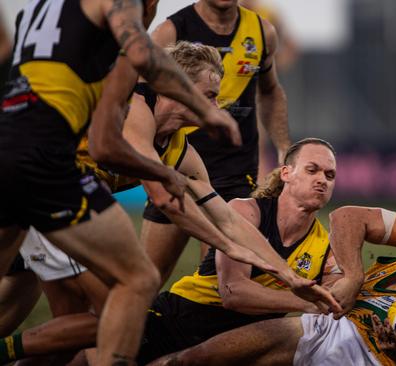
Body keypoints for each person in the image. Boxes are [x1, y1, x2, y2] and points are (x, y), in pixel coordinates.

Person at [0, 0, 245, 364]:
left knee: (47, 308)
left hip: (8, 144)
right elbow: (143, 51)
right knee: (136, 281)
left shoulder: (42, 10)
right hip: (46, 160)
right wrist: (206, 111)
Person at [2, 138, 341, 365]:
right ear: (286, 173)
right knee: (81, 350)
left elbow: (341, 292)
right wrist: (311, 302)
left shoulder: (326, 244)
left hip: (236, 344)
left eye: (330, 174)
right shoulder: (247, 211)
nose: (322, 180)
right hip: (177, 320)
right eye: (312, 170)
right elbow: (233, 293)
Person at [148, 202, 396, 366]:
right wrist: (353, 276)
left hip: (371, 361)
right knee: (198, 359)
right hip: (328, 324)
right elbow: (348, 218)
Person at [148, 0, 291, 265]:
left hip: (236, 172)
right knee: (144, 278)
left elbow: (270, 91)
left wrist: (283, 145)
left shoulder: (262, 31)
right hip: (178, 166)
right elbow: (141, 93)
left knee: (218, 284)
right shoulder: (170, 31)